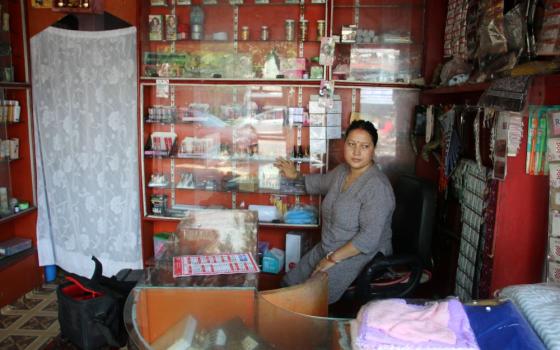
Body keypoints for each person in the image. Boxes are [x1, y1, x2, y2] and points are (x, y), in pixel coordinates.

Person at [274, 119, 395, 304]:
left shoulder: (377, 187)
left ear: (373, 149)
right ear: (344, 145)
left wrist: (332, 259)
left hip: (359, 256)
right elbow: (320, 183)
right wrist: (295, 175)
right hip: (329, 246)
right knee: (289, 283)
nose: (356, 152)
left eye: (364, 146)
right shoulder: (342, 172)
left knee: (311, 299)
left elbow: (368, 239)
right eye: (351, 144)